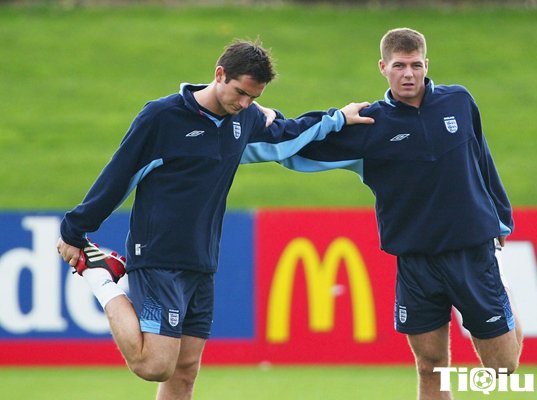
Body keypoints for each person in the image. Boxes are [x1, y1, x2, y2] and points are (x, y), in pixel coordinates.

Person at [56, 39, 373, 400]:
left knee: (185, 372)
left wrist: (338, 118)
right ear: (219, 74)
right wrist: (75, 230)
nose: (245, 104)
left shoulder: (244, 119)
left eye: (254, 97)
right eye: (241, 93)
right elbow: (118, 176)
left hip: (202, 262)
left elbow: (288, 135)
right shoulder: (162, 117)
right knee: (155, 365)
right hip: (159, 258)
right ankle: (99, 274)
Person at [279, 28, 523, 399]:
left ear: (426, 65)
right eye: (399, 66)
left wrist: (501, 215)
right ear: (383, 67)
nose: (408, 74)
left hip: (470, 253)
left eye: (415, 65)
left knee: (502, 368)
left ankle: (503, 294)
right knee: (430, 366)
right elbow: (297, 149)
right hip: (415, 262)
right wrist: (325, 119)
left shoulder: (459, 101)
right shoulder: (368, 125)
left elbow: (481, 158)